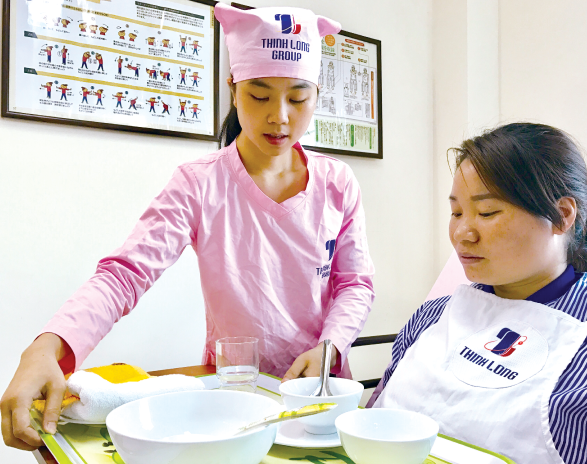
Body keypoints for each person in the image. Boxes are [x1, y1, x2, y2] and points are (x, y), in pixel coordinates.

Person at [1, 4, 374, 451]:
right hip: (234, 393)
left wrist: (330, 347)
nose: (279, 116)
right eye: (259, 95)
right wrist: (49, 346)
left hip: (319, 393)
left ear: (316, 94)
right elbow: (126, 273)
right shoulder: (199, 183)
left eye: (297, 97)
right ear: (233, 89)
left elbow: (354, 284)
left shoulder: (337, 182)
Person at [369, 123, 587, 464]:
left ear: (561, 216)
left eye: (487, 212)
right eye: (456, 212)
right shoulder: (433, 316)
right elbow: (372, 418)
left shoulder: (579, 341)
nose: (462, 233)